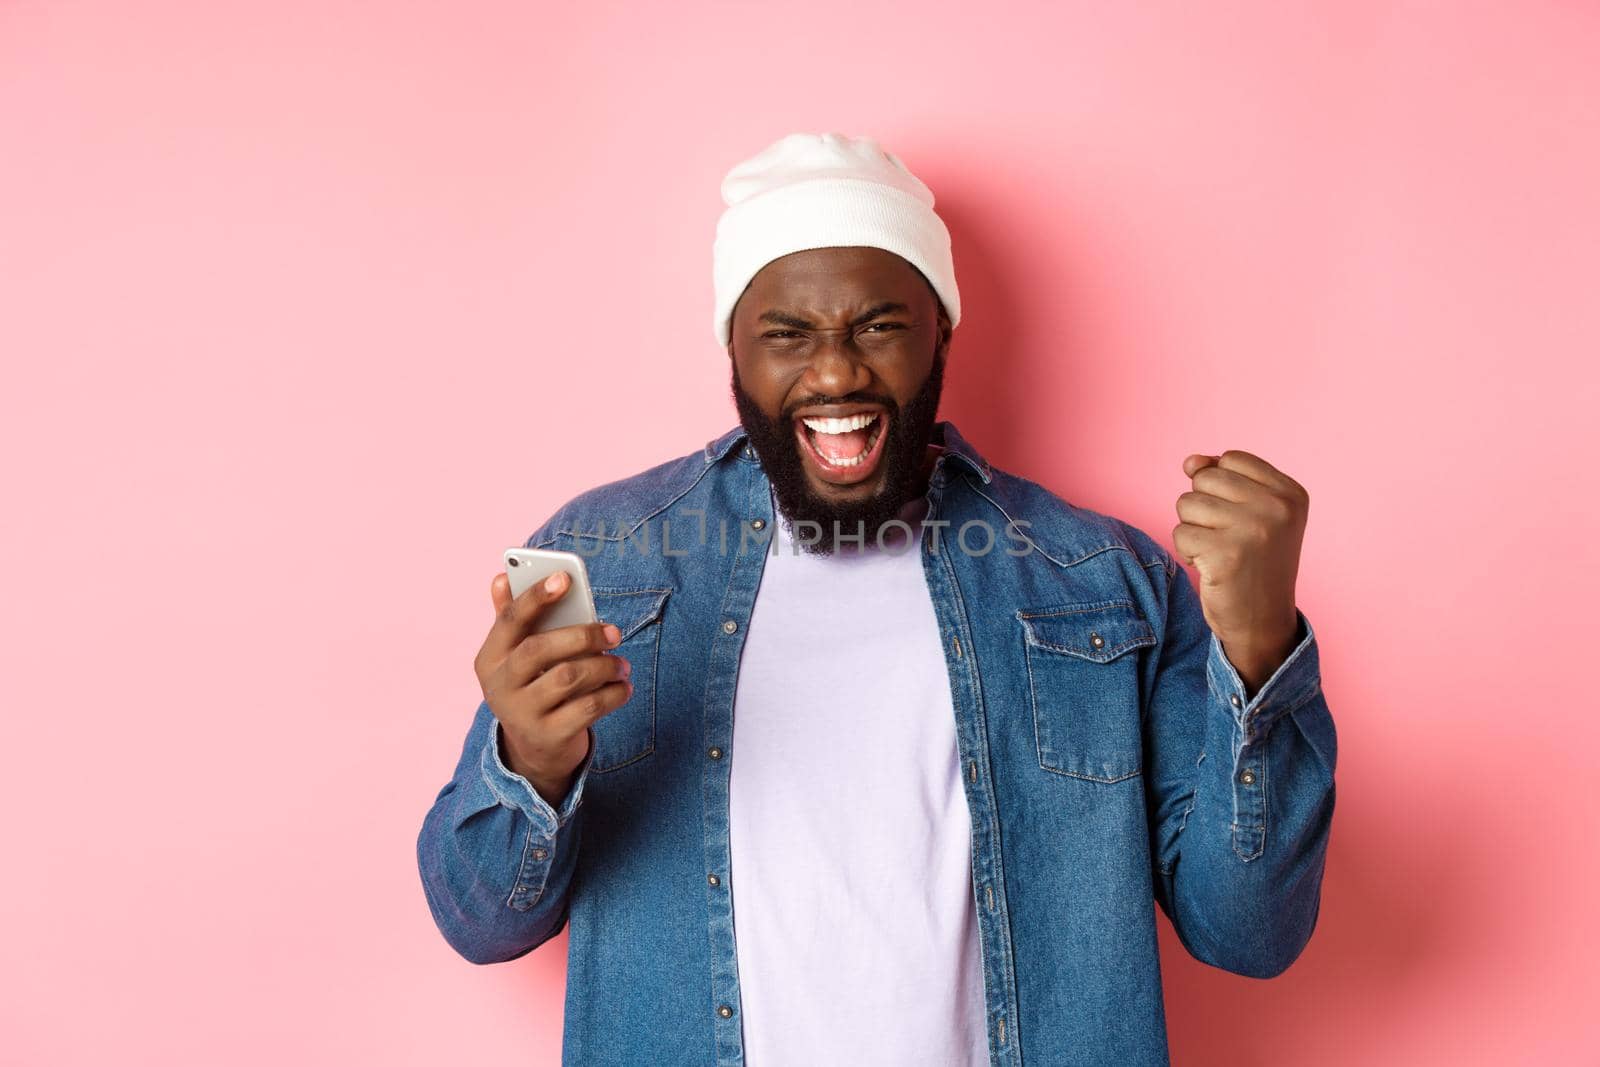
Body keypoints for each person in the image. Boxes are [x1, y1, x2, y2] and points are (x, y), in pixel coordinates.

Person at [416, 132, 1337, 1067]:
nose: (834, 373)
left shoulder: (1100, 577)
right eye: (786, 333)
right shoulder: (597, 556)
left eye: (879, 325)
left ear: (942, 329)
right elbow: (479, 920)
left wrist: (1260, 651)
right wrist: (529, 759)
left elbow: (1249, 933)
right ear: (730, 346)